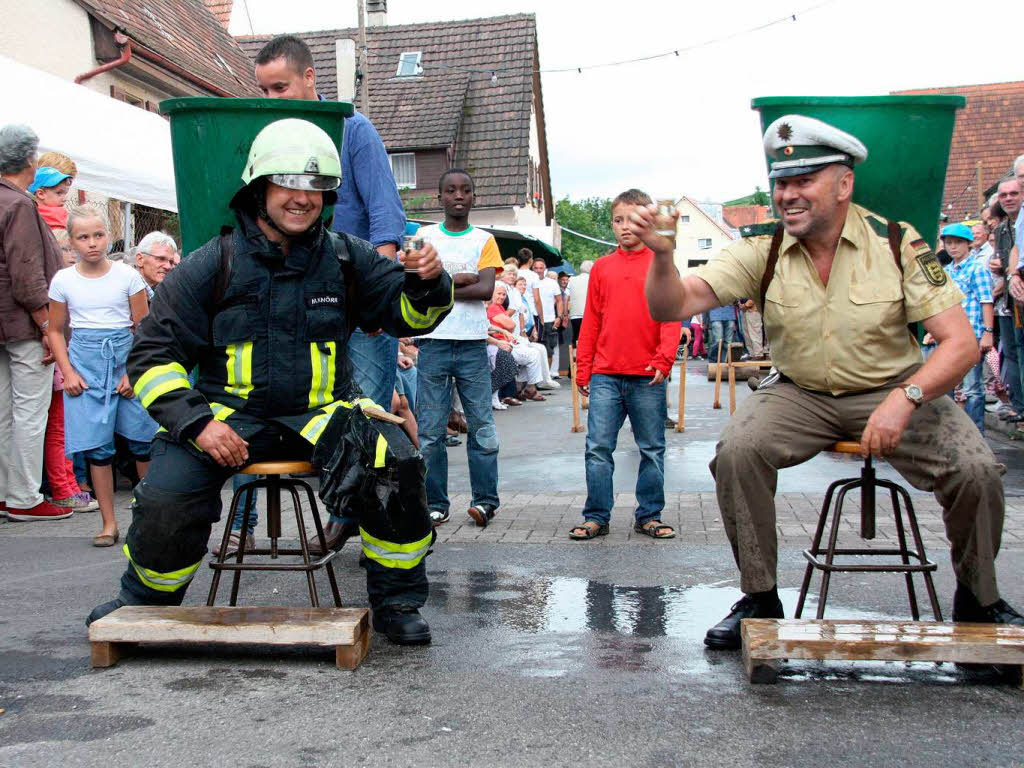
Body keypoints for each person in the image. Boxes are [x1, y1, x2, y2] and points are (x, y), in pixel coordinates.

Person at [642, 114, 1024, 649]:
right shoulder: (764, 250)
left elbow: (960, 342)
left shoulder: (896, 243)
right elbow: (671, 306)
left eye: (804, 182)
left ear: (844, 184)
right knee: (737, 452)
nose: (788, 196)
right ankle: (760, 597)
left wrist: (907, 397)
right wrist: (661, 257)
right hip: (799, 392)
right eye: (781, 183)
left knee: (979, 470)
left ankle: (979, 599)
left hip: (893, 389)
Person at [85, 119, 454, 645]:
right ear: (259, 187)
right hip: (226, 417)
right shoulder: (211, 263)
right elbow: (152, 355)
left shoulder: (348, 257)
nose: (302, 199)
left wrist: (426, 281)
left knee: (393, 462)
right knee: (167, 497)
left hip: (323, 413)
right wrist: (197, 425)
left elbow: (410, 319)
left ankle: (397, 602)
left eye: (315, 188)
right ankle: (143, 601)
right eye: (288, 185)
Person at [254, 34, 406, 551]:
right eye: (264, 90)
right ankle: (334, 513)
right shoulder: (269, 138)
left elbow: (386, 222)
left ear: (310, 77)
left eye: (280, 87)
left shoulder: (352, 130)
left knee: (366, 413)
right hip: (302, 306)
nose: (272, 99)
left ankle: (369, 525)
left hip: (357, 297)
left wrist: (377, 300)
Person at [570, 188, 681, 541]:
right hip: (605, 374)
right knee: (598, 448)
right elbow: (592, 320)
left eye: (633, 220)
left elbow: (672, 315)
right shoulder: (602, 268)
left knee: (651, 448)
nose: (625, 227)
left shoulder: (661, 262)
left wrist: (665, 359)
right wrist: (584, 367)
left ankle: (649, 515)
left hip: (648, 376)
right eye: (618, 220)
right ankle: (596, 516)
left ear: (646, 220)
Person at [47, 205, 158, 545]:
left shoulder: (127, 276)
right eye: (83, 237)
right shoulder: (63, 280)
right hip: (85, 363)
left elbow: (145, 328)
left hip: (125, 358)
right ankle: (108, 522)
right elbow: (55, 330)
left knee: (142, 441)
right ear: (72, 241)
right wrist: (68, 372)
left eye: (98, 235)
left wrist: (134, 373)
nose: (92, 243)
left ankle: (149, 518)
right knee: (98, 449)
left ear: (108, 237)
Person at [415, 168, 502, 528]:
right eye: (450, 190)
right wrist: (460, 280)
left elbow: (485, 290)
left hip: (472, 346)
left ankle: (485, 502)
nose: (458, 196)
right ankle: (436, 503)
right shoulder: (423, 236)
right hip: (432, 343)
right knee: (430, 432)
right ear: (440, 197)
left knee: (482, 428)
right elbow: (415, 286)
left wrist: (442, 285)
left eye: (466, 190)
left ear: (474, 197)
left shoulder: (484, 240)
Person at [0, 124, 69, 522]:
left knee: (5, 411)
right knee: (29, 411)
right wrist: (49, 328)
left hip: (2, 323)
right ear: (29, 160)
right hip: (24, 323)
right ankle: (25, 497)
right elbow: (27, 274)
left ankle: (8, 492)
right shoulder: (19, 205)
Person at [926, 223, 993, 433]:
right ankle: (950, 432)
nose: (953, 247)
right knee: (946, 385)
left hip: (972, 334)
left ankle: (976, 433)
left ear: (968, 244)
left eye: (958, 243)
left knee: (973, 388)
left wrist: (988, 333)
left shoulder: (978, 269)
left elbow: (986, 301)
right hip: (948, 337)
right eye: (949, 243)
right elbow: (941, 305)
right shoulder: (945, 272)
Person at [131, 231, 178, 298]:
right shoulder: (126, 289)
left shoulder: (167, 292)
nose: (168, 267)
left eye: (171, 262)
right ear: (140, 259)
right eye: (161, 259)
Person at [567, 260, 592, 345]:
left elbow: (566, 297)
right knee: (588, 339)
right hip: (589, 315)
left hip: (575, 314)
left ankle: (575, 356)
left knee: (576, 337)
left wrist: (565, 314)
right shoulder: (593, 279)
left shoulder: (571, 280)